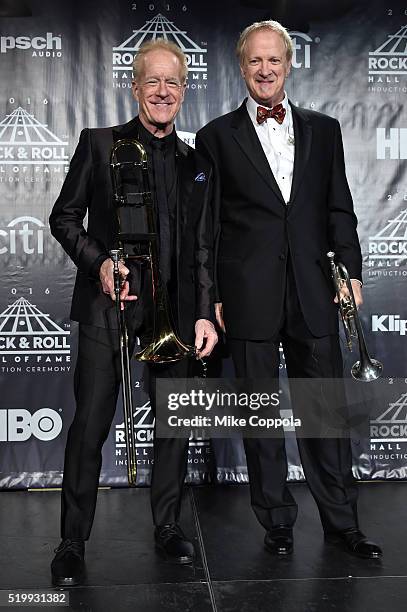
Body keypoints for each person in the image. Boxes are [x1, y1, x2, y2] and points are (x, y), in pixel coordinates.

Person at [195, 20, 382, 559]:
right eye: (255, 61)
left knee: (324, 411)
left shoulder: (324, 130)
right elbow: (206, 229)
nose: (265, 70)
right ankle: (276, 520)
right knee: (259, 414)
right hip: (247, 292)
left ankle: (342, 523)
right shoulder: (215, 137)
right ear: (241, 67)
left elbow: (338, 208)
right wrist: (211, 300)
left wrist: (350, 271)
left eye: (273, 60)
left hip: (315, 287)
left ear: (289, 64)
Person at [49, 39, 218, 587]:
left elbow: (201, 247)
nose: (163, 92)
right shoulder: (100, 145)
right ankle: (72, 541)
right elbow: (64, 217)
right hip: (109, 310)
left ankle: (166, 526)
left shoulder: (198, 164)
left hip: (176, 315)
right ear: (136, 86)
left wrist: (202, 313)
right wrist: (98, 262)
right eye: (153, 81)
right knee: (91, 426)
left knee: (173, 429)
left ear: (184, 89)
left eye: (173, 83)